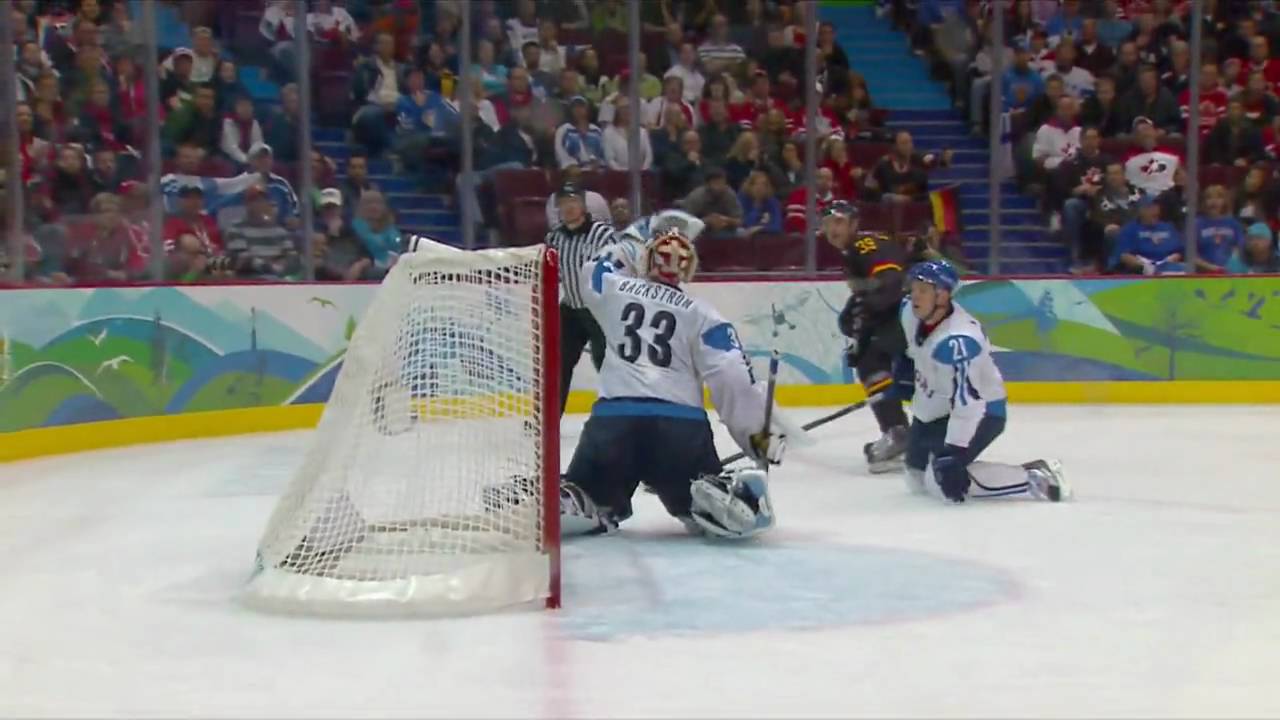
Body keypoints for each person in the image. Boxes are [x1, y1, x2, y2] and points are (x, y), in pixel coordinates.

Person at [558, 229, 784, 539]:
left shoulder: (614, 289)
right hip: (679, 431)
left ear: (646, 259)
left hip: (614, 424)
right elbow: (732, 378)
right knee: (692, 489)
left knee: (592, 491)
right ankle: (704, 496)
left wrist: (625, 248)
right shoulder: (704, 314)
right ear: (688, 269)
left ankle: (583, 501)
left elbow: (591, 272)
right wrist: (755, 434)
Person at [896, 260, 1068, 503]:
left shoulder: (958, 341)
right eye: (913, 289)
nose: (914, 296)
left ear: (943, 295)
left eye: (923, 290)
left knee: (940, 482)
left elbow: (968, 403)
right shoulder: (910, 313)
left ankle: (1035, 476)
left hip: (982, 411)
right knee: (915, 477)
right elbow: (909, 344)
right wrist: (901, 363)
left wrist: (954, 451)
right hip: (935, 407)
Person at [822, 201, 927, 473]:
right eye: (827, 224)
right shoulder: (857, 248)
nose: (832, 229)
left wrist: (864, 329)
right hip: (909, 306)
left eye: (839, 222)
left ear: (854, 224)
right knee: (860, 340)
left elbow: (891, 284)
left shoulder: (863, 246)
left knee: (870, 358)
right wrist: (857, 323)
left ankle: (898, 432)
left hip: (907, 307)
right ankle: (913, 431)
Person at [543, 183, 617, 416]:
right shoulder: (554, 237)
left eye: (573, 202)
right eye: (564, 203)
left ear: (583, 205)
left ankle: (615, 413)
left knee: (607, 365)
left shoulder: (603, 234)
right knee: (557, 366)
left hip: (599, 311)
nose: (569, 207)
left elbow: (620, 268)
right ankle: (550, 418)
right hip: (571, 309)